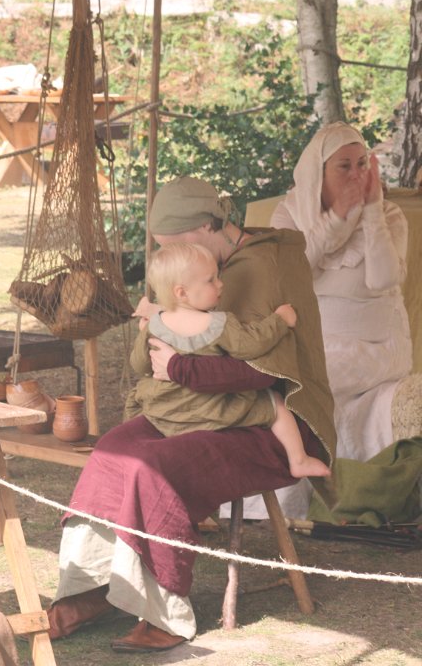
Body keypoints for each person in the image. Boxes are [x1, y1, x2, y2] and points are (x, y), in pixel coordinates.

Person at [46, 175, 336, 653]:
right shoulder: (194, 270)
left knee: (153, 466)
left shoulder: (265, 265)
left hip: (266, 419)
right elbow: (155, 355)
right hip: (194, 407)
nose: (168, 257)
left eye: (172, 245)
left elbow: (263, 374)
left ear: (206, 227)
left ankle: (165, 612)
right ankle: (91, 588)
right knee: (113, 450)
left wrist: (179, 368)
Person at [236, 120, 417, 521]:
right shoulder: (289, 214)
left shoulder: (389, 215)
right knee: (264, 382)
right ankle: (263, 501)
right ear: (318, 172)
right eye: (344, 166)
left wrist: (370, 212)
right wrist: (336, 218)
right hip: (314, 345)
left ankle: (278, 506)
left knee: (292, 389)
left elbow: (383, 278)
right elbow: (292, 271)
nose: (356, 175)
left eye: (362, 164)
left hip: (377, 350)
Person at [129, 242, 331, 479]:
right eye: (211, 280)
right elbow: (250, 344)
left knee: (139, 396)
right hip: (212, 410)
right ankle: (299, 459)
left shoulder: (154, 326)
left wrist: (144, 335)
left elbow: (139, 364)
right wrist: (279, 320)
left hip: (168, 411)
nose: (220, 284)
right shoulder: (219, 324)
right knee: (274, 403)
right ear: (181, 293)